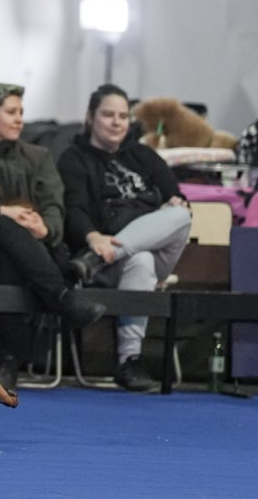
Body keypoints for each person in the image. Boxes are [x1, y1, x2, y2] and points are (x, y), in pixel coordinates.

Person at [0, 83, 106, 389]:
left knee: (10, 255)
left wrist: (46, 227)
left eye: (21, 112)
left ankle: (5, 359)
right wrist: (3, 212)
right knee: (3, 226)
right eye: (11, 112)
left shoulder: (39, 156)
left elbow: (54, 203)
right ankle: (62, 298)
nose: (20, 119)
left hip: (28, 250)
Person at [57, 84, 192, 391]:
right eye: (108, 115)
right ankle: (129, 360)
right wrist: (93, 237)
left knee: (181, 215)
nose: (117, 122)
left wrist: (175, 201)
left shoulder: (144, 155)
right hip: (105, 253)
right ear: (90, 117)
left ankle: (101, 257)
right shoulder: (73, 158)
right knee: (140, 261)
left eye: (123, 116)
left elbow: (174, 194)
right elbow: (73, 209)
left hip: (126, 253)